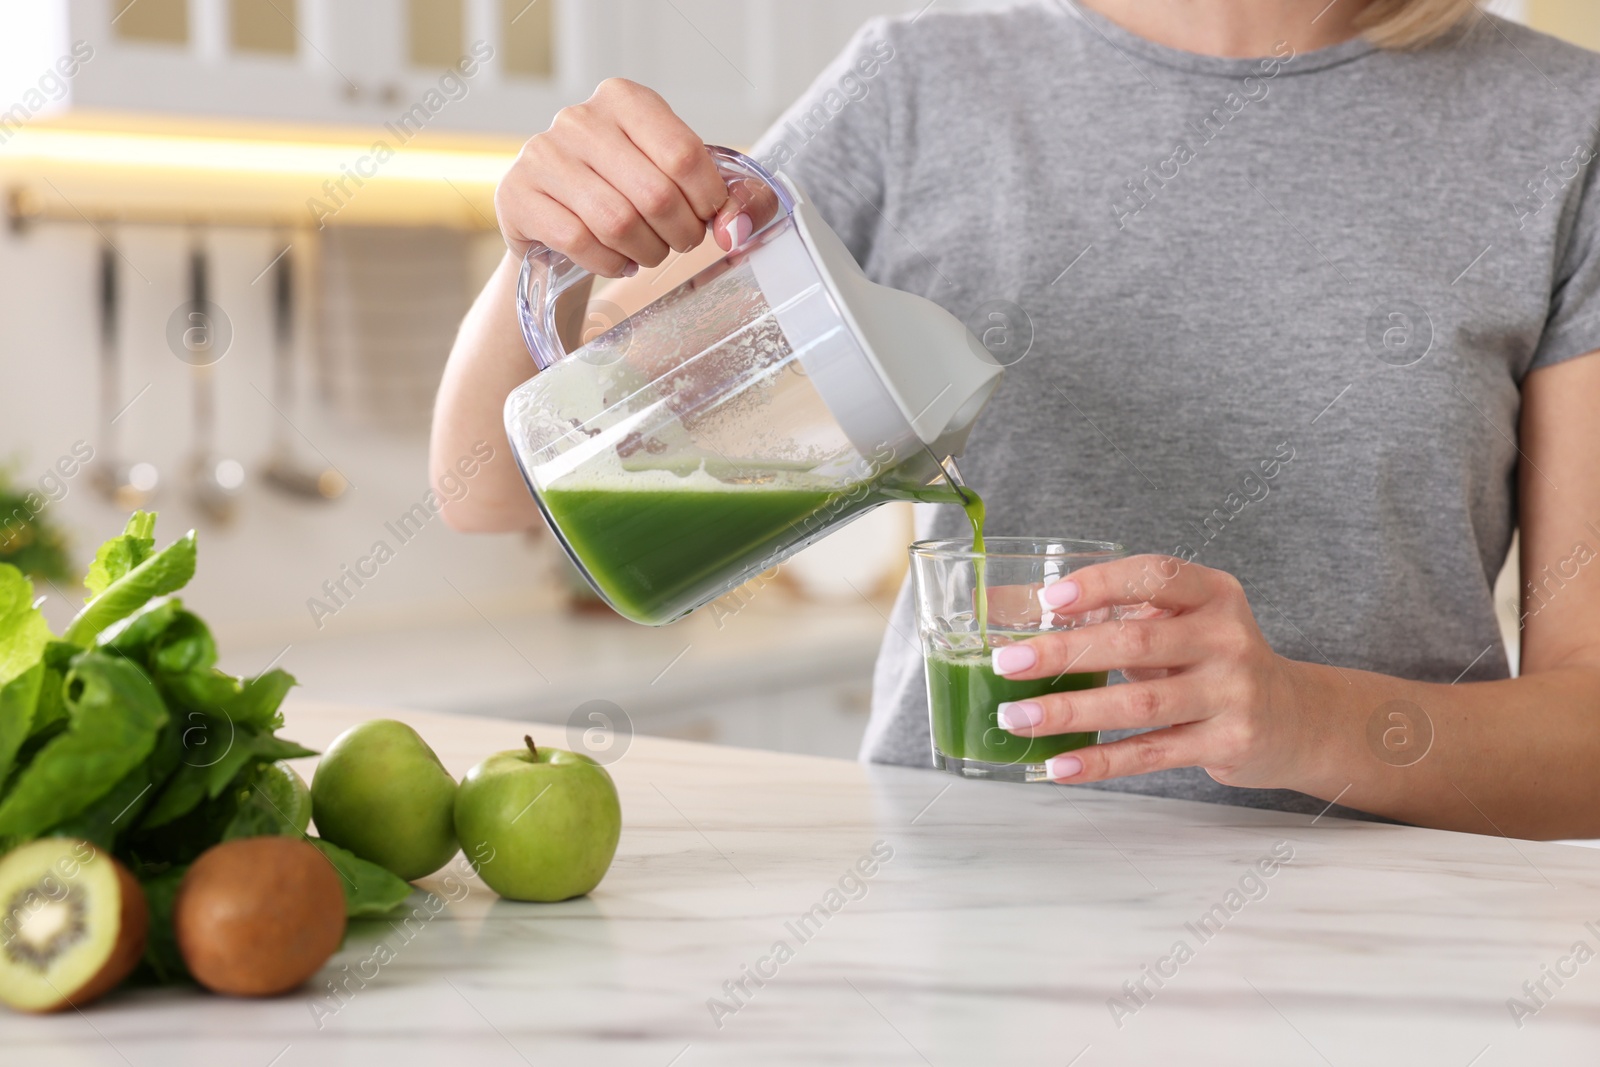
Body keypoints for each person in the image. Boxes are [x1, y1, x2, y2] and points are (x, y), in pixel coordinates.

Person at [431, 0, 1600, 839]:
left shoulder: (1564, 129)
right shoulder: (917, 89)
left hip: (1388, 950)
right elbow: (488, 487)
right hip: (955, 913)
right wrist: (547, 254)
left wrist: (1298, 717)